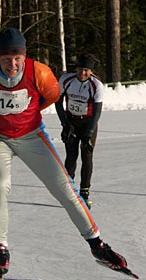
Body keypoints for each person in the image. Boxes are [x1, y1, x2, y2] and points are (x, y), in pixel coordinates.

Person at [0, 28, 129, 280]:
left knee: (65, 188)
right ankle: (0, 249)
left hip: (31, 136)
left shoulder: (38, 72)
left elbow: (51, 95)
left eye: (17, 58)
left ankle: (98, 245)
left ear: (25, 56)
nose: (12, 64)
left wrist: (25, 114)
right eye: (6, 59)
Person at [55, 53, 104, 209]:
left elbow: (97, 111)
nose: (82, 73)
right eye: (80, 70)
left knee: (86, 155)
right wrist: (65, 124)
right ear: (75, 69)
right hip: (71, 122)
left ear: (91, 71)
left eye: (86, 70)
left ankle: (84, 193)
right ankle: (69, 192)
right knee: (71, 156)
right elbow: (58, 103)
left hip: (88, 123)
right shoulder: (66, 80)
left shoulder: (96, 85)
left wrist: (89, 133)